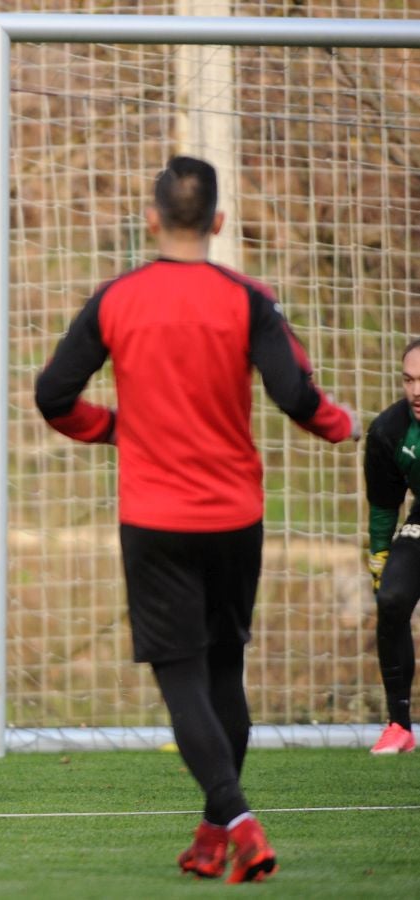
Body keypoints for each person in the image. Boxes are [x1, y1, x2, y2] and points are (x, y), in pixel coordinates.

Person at [34, 156, 358, 883]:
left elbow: (52, 394)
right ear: (215, 222)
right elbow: (293, 393)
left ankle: (235, 819)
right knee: (223, 670)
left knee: (181, 675)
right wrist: (343, 427)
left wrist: (115, 428)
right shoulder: (248, 299)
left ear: (151, 219)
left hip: (153, 518)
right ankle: (213, 836)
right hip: (233, 517)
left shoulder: (114, 298)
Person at [362, 339, 420, 756]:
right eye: (409, 380)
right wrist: (379, 557)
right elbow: (384, 507)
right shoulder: (388, 430)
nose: (416, 390)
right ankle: (399, 725)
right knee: (393, 596)